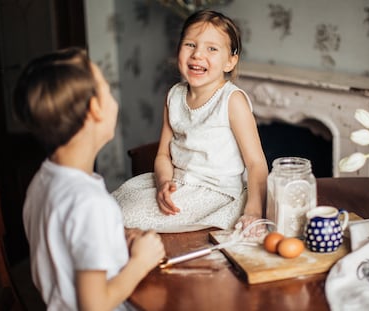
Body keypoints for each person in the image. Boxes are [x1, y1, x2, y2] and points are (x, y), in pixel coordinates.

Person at [13, 47, 166, 311]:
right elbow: (94, 306)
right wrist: (140, 262)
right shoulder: (91, 203)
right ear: (95, 109)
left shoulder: (42, 180)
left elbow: (67, 241)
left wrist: (116, 236)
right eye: (107, 88)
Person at [113, 10, 268, 234]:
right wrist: (164, 183)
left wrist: (253, 210)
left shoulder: (231, 101)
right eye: (190, 45)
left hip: (214, 192)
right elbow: (163, 155)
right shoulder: (174, 95)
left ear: (230, 61)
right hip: (177, 181)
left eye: (212, 49)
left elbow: (256, 163)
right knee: (113, 203)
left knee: (126, 217)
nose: (197, 55)